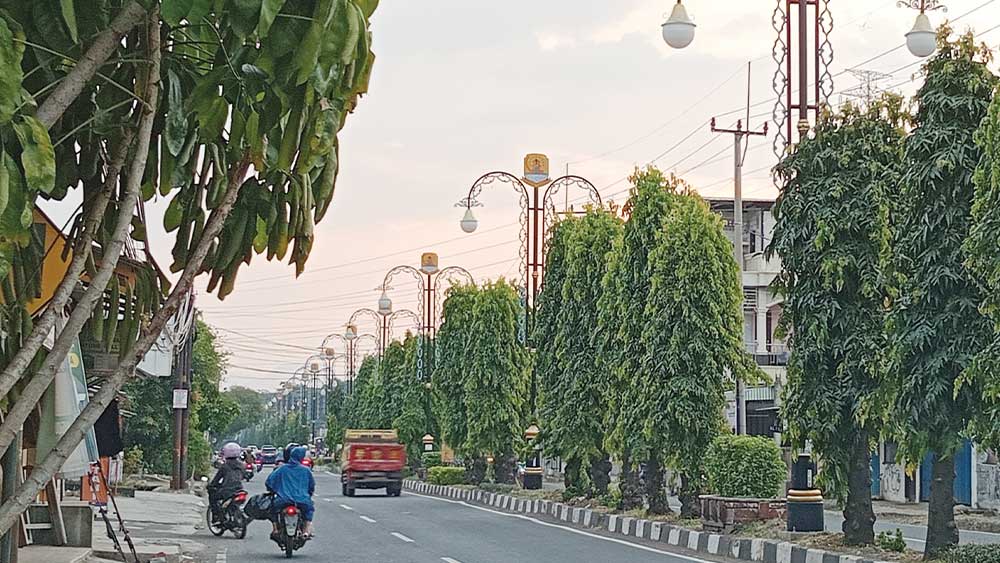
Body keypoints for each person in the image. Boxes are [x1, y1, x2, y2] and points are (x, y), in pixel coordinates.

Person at [266, 446, 316, 538]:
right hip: (302, 500)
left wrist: (272, 490)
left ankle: (275, 528)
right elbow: (311, 486)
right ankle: (306, 530)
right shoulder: (306, 470)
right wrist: (309, 494)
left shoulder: (282, 469)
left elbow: (269, 482)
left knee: (272, 509)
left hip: (283, 500)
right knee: (309, 510)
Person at [208, 442, 245, 523]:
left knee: (212, 496)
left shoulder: (224, 466)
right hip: (239, 489)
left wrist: (211, 486)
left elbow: (216, 479)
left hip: (227, 491)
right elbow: (243, 476)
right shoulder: (241, 465)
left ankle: (216, 516)